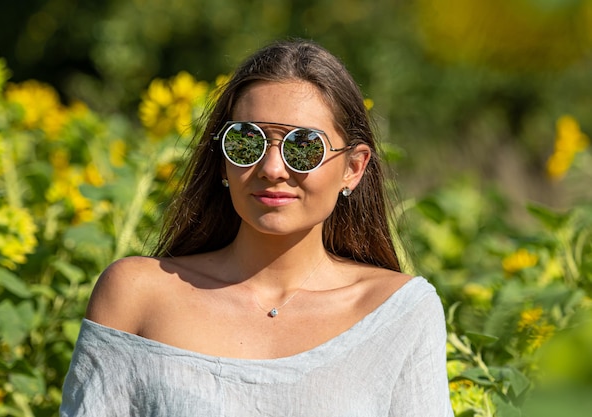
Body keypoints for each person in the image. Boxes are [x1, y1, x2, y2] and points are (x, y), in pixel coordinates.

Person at [60, 38, 454, 416]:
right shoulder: (138, 294)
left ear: (354, 167)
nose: (271, 169)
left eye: (303, 147)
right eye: (246, 143)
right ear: (221, 160)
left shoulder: (397, 313)